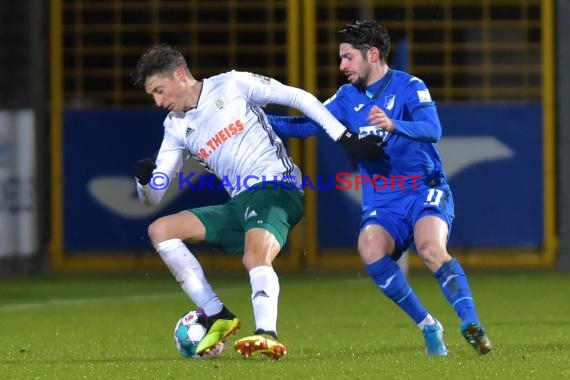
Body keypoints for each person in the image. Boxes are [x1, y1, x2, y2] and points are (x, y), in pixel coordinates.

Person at [131, 44, 383, 360]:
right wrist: (143, 181)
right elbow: (154, 194)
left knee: (254, 257)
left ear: (180, 74)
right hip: (240, 203)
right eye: (152, 95)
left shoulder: (231, 84)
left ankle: (267, 333)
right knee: (160, 230)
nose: (158, 101)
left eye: (159, 90)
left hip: (276, 187)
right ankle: (217, 314)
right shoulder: (175, 127)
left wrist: (346, 138)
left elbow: (298, 98)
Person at [268, 20, 492, 356]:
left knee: (430, 247)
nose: (341, 65)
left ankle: (470, 322)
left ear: (372, 54)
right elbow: (303, 126)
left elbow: (432, 128)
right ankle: (428, 325)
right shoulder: (346, 98)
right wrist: (252, 121)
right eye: (341, 58)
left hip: (423, 189)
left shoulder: (409, 86)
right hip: (383, 202)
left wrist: (393, 124)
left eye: (347, 57)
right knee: (370, 248)